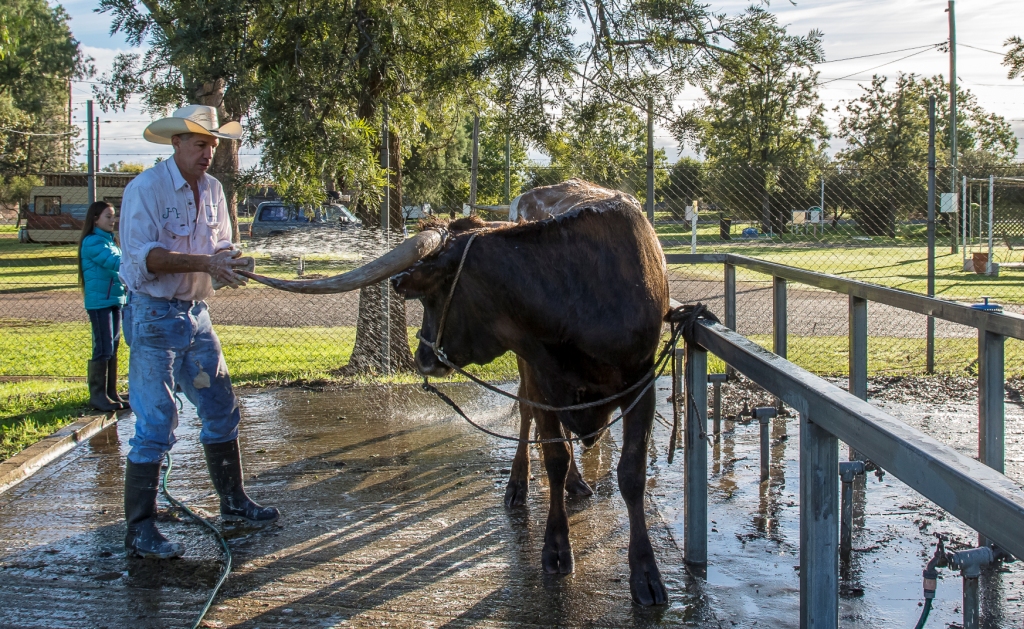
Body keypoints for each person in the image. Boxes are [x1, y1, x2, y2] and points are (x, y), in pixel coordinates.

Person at [118, 104, 279, 559]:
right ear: (176, 144)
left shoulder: (212, 189)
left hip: (195, 314)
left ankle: (233, 501)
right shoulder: (145, 188)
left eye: (212, 144)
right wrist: (207, 263)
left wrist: (233, 259)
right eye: (200, 143)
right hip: (154, 315)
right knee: (156, 421)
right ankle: (140, 528)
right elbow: (143, 258)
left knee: (221, 405)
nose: (209, 152)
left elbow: (222, 242)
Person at [78, 201, 129, 412]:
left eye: (113, 216)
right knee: (104, 347)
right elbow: (114, 262)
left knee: (113, 347)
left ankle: (111, 393)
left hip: (114, 300)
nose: (112, 220)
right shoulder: (93, 242)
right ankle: (97, 395)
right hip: (100, 303)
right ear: (95, 219)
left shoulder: (109, 241)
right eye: (108, 216)